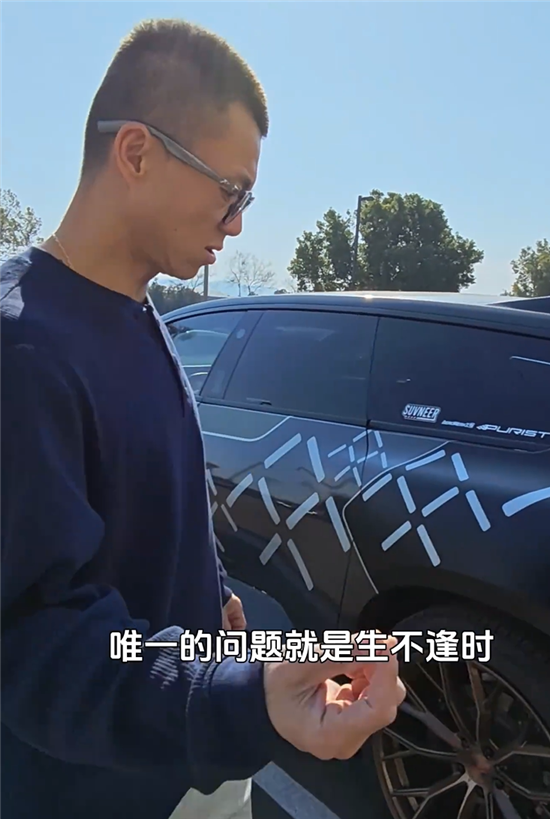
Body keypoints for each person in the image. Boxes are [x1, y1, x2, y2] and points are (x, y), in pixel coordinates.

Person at [0, 18, 405, 819]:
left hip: (190, 757)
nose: (239, 221)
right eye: (232, 190)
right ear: (136, 153)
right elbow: (35, 642)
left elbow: (157, 492)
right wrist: (245, 700)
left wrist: (213, 592)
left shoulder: (137, 310)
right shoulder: (23, 350)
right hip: (104, 790)